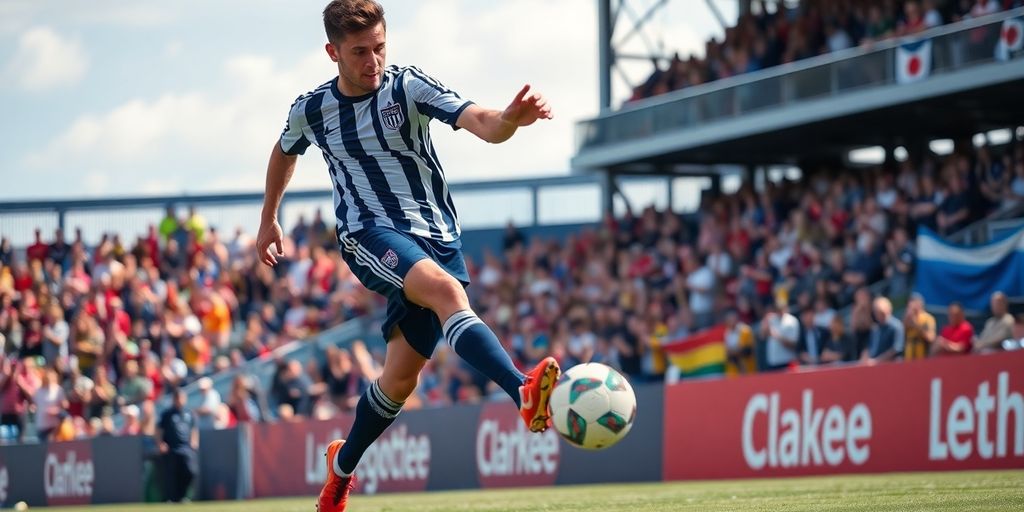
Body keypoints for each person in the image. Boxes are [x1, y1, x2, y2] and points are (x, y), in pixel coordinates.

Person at [254, 2, 557, 510]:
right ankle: (522, 390)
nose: (372, 60)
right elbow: (285, 149)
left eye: (379, 48)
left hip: (438, 237)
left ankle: (341, 470)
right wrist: (269, 217)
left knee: (398, 381)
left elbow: (481, 121)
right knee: (446, 292)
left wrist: (509, 120)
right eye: (358, 52)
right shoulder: (311, 110)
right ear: (333, 53)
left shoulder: (407, 86)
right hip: (367, 232)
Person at [156, 388, 198, 503]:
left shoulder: (189, 413)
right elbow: (159, 430)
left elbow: (193, 428)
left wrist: (194, 441)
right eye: (178, 398)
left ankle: (183, 496)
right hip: (171, 448)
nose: (180, 401)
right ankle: (171, 498)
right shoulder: (167, 414)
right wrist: (160, 443)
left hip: (186, 448)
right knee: (171, 475)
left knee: (190, 471)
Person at [862, 297, 905, 365]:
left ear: (888, 310)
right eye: (876, 312)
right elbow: (869, 348)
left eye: (881, 312)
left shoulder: (897, 326)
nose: (878, 315)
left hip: (891, 367)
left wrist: (877, 361)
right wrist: (864, 360)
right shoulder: (875, 329)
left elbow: (896, 349)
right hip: (874, 367)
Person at [903, 292, 936, 361]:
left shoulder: (928, 318)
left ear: (920, 303)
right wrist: (906, 319)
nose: (911, 304)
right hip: (909, 356)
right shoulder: (908, 318)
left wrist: (915, 324)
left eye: (914, 301)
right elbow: (902, 335)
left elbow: (931, 338)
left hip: (923, 355)